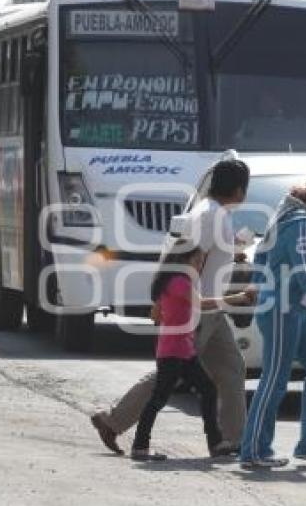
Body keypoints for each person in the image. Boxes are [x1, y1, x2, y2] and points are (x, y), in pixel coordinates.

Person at [91, 158, 251, 457]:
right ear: (239, 189)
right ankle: (113, 421)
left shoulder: (212, 213)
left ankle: (233, 439)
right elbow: (186, 259)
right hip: (198, 309)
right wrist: (164, 299)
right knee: (171, 373)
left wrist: (232, 255)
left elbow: (197, 255)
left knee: (231, 369)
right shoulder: (211, 216)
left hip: (212, 310)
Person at [239, 172, 306, 468]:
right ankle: (253, 451)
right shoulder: (302, 223)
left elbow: (261, 256)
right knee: (274, 379)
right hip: (280, 310)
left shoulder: (304, 220)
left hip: (295, 308)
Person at [130, 242, 255, 461]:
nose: (199, 266)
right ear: (181, 260)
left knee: (208, 390)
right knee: (159, 398)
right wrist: (239, 298)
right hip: (173, 352)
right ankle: (140, 446)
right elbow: (202, 304)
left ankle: (215, 443)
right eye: (196, 261)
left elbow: (158, 314)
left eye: (201, 262)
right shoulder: (179, 281)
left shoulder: (174, 281)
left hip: (184, 351)